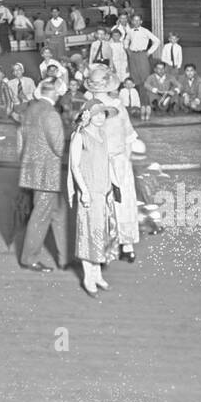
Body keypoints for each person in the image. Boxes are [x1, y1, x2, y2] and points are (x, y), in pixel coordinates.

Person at [83, 64, 144, 264]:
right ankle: (127, 246)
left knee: (100, 203)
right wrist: (125, 158)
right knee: (123, 200)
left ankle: (103, 247)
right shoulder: (118, 106)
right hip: (118, 161)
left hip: (100, 163)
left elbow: (82, 140)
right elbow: (129, 135)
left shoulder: (89, 108)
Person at [68, 99, 122, 296]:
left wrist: (114, 185)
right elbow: (74, 166)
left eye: (103, 114)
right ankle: (87, 277)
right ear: (88, 114)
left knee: (101, 234)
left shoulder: (102, 134)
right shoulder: (79, 136)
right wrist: (84, 192)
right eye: (97, 113)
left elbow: (106, 160)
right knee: (88, 235)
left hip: (104, 191)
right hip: (90, 194)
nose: (100, 117)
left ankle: (97, 273)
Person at [17, 79, 71, 273]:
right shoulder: (51, 115)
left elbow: (22, 136)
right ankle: (29, 258)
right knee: (41, 215)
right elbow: (58, 147)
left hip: (32, 169)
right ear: (55, 94)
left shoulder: (32, 109)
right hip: (47, 174)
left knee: (59, 212)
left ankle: (65, 258)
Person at [123, 14, 162, 91]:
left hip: (142, 54)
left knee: (144, 74)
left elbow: (157, 41)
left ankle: (146, 95)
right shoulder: (130, 31)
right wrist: (127, 48)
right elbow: (126, 39)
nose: (136, 22)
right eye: (134, 20)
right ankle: (136, 95)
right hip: (132, 54)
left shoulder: (145, 31)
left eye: (138, 20)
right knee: (134, 74)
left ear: (141, 21)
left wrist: (149, 52)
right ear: (132, 21)